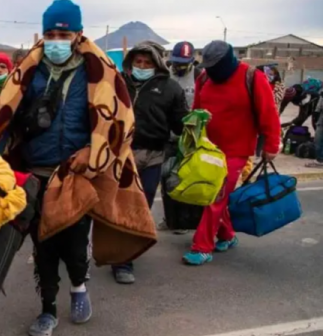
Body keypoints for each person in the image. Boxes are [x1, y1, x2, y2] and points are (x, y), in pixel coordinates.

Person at [0, 0, 154, 336]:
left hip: (78, 174)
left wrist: (93, 151)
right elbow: (5, 113)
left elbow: (120, 120)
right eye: (50, 34)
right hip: (36, 172)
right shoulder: (29, 72)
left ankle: (79, 286)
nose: (56, 41)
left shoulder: (98, 72)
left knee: (74, 246)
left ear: (78, 34)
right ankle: (47, 309)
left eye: (63, 34)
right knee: (44, 246)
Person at [183, 40, 281, 266]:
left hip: (236, 150)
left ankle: (202, 246)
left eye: (214, 66)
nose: (210, 70)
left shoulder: (253, 77)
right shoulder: (204, 78)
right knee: (212, 194)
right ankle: (227, 235)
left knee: (215, 195)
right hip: (207, 149)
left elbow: (269, 113)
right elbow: (196, 111)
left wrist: (271, 146)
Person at [111, 41, 188, 284]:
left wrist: (194, 122)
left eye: (147, 62)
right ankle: (122, 261)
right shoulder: (117, 83)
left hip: (154, 156)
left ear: (157, 64)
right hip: (122, 155)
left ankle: (127, 253)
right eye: (138, 62)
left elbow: (180, 124)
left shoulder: (171, 88)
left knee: (140, 207)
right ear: (130, 62)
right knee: (121, 206)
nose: (142, 66)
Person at [158, 40, 201, 234]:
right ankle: (170, 219)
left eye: (184, 64)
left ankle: (186, 220)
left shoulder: (200, 77)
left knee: (187, 179)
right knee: (166, 179)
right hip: (167, 138)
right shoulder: (164, 75)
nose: (180, 67)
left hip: (191, 140)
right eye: (177, 63)